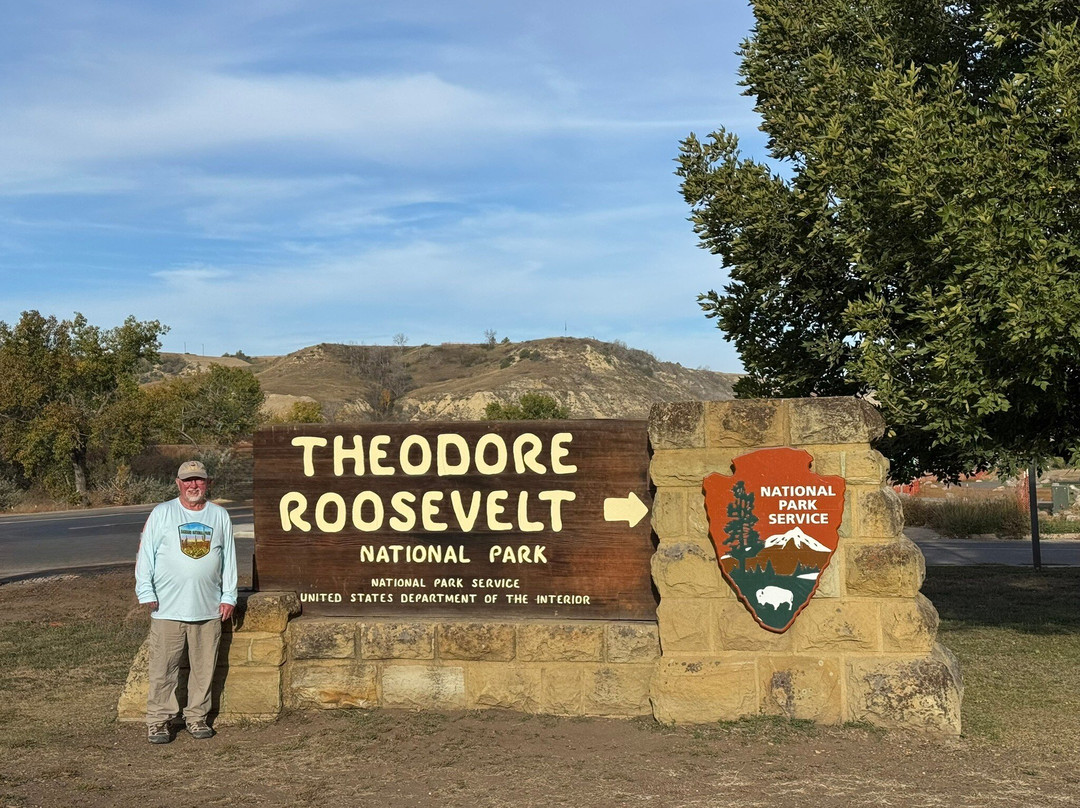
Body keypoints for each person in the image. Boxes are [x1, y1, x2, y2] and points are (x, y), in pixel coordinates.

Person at [135, 460, 237, 745]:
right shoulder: (162, 513)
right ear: (178, 483)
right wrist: (146, 592)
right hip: (167, 608)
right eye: (188, 480)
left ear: (208, 484)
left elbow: (228, 558)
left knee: (204, 669)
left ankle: (197, 717)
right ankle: (158, 722)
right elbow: (146, 555)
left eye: (199, 480)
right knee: (163, 669)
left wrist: (229, 595)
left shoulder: (219, 515)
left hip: (208, 608)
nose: (194, 485)